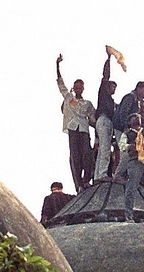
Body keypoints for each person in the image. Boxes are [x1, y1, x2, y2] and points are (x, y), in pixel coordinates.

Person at [56, 54, 96, 193]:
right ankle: (79, 183)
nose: (78, 89)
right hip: (73, 129)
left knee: (87, 154)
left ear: (83, 88)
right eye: (76, 87)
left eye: (81, 87)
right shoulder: (70, 99)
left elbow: (93, 119)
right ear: (74, 88)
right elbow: (61, 85)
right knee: (75, 157)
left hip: (84, 130)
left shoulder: (87, 104)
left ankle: (86, 180)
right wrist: (58, 66)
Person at [112, 81, 144, 184]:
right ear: (138, 88)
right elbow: (123, 112)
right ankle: (118, 176)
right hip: (121, 128)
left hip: (125, 128)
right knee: (125, 152)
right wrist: (126, 127)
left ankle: (123, 175)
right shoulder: (130, 97)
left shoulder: (136, 101)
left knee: (128, 152)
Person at [93, 46, 119, 183]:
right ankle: (102, 174)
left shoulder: (111, 101)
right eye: (112, 86)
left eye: (115, 87)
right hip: (104, 120)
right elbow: (105, 76)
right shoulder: (103, 94)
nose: (113, 89)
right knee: (105, 148)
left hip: (106, 121)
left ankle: (98, 175)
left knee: (103, 148)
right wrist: (109, 59)